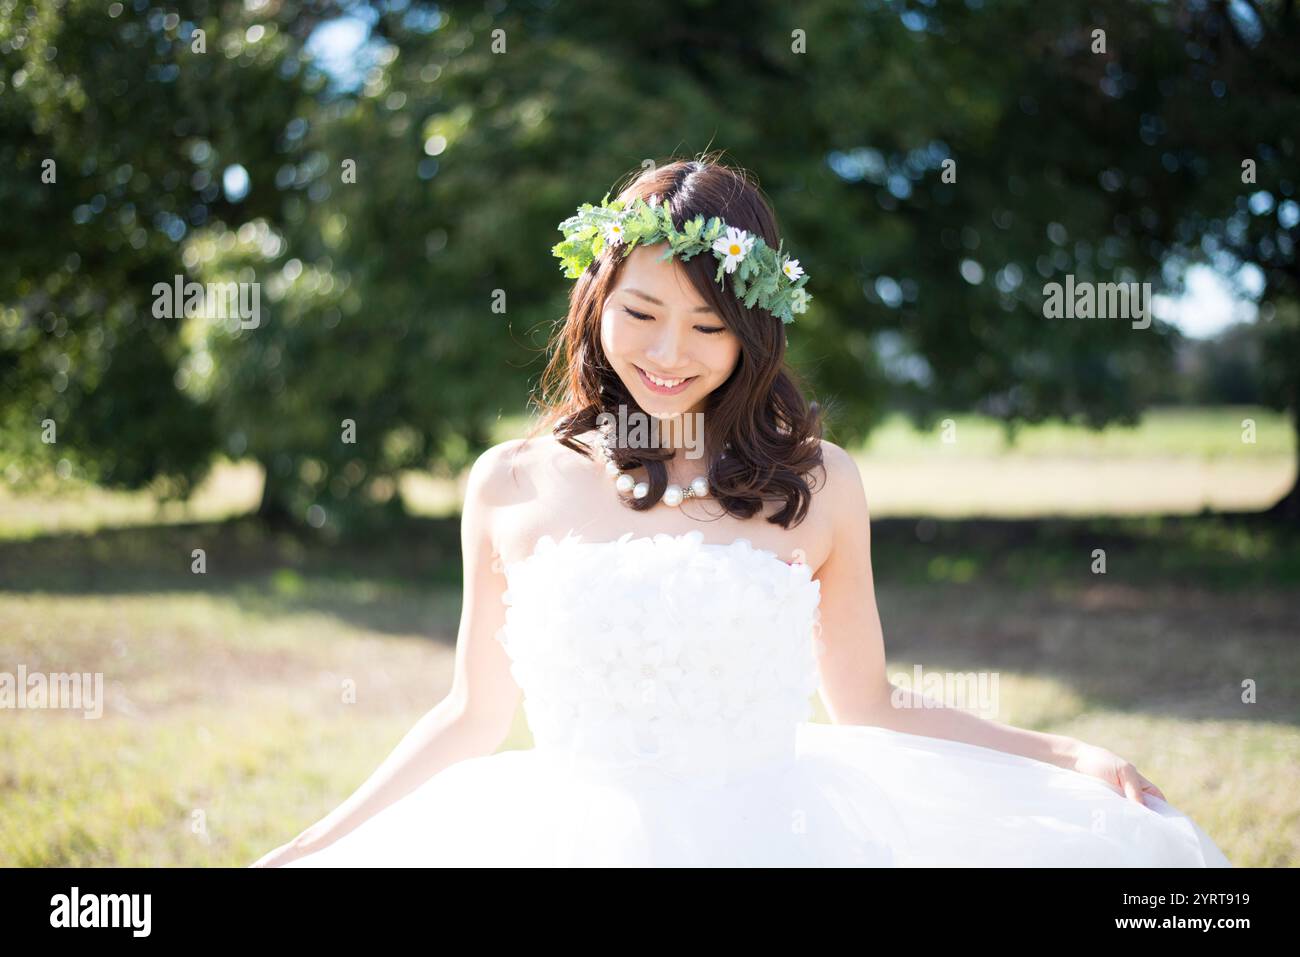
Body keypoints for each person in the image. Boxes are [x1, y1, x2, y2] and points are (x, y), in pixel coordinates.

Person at [253, 156, 1231, 867]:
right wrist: (318, 841)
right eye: (640, 313)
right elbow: (471, 713)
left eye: (708, 326)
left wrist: (1061, 750)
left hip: (777, 835)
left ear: (752, 331)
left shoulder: (820, 483)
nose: (669, 351)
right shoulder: (510, 482)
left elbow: (868, 702)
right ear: (595, 299)